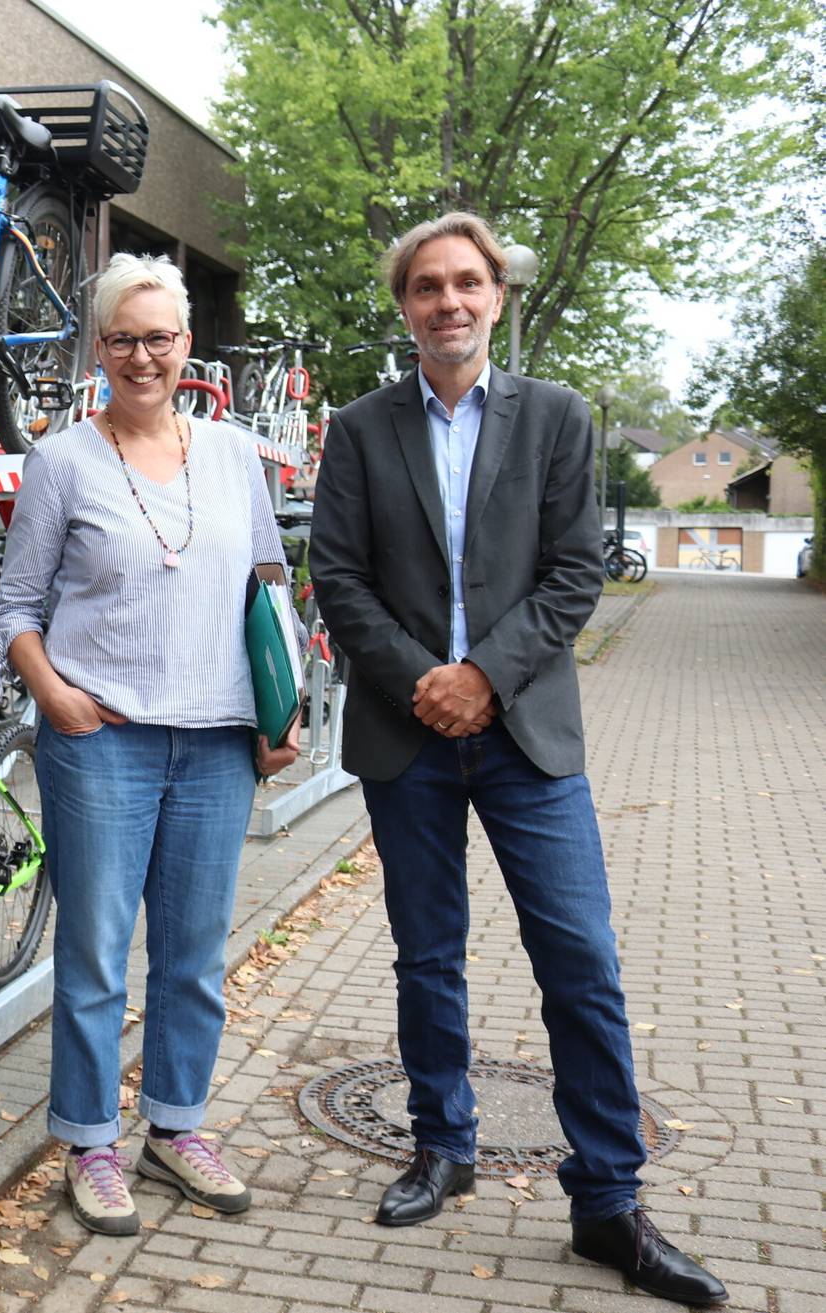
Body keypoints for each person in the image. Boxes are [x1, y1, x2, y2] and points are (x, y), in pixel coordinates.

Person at [309, 212, 725, 1307]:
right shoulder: (359, 427)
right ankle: (441, 1145)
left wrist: (483, 675)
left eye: (468, 283)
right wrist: (426, 681)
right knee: (426, 955)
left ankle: (608, 1202)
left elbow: (575, 570)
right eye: (427, 286)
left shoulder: (557, 417)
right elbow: (338, 576)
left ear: (498, 297)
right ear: (405, 305)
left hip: (528, 733)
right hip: (407, 732)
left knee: (581, 961)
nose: (448, 301)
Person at [0, 252, 299, 1238]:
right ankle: (89, 1139)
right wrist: (54, 695)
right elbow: (13, 610)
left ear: (187, 347)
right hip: (102, 740)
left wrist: (278, 710)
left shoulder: (236, 455)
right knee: (93, 954)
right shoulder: (62, 460)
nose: (141, 354)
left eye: (159, 337)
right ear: (99, 348)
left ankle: (176, 1125)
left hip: (213, 742)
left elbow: (268, 587)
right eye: (122, 337)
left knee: (194, 955)